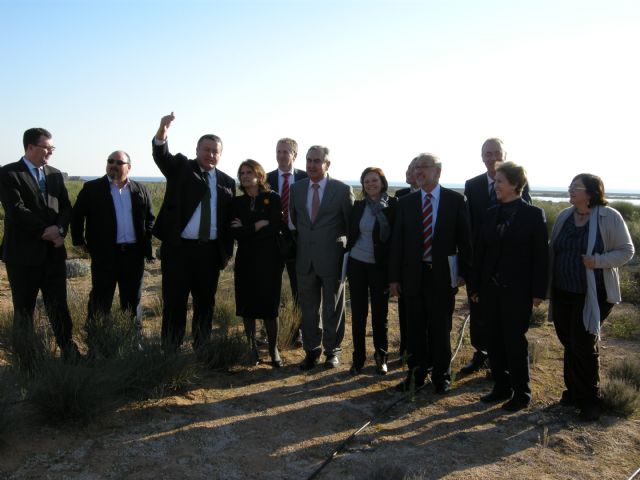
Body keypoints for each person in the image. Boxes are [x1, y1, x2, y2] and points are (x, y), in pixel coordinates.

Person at [548, 173, 634, 421]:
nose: (571, 189)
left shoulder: (609, 216)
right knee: (569, 342)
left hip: (594, 294)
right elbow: (553, 248)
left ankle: (590, 400)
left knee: (583, 343)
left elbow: (627, 251)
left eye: (576, 187)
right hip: (563, 291)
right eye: (570, 186)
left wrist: (597, 261)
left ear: (592, 192)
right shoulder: (565, 215)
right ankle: (573, 392)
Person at [151, 112, 236, 353]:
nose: (210, 154)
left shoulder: (227, 182)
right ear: (197, 150)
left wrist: (226, 252)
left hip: (209, 253)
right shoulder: (181, 168)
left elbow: (229, 222)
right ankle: (170, 351)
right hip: (179, 250)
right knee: (175, 302)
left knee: (205, 303)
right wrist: (162, 130)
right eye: (206, 149)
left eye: (215, 151)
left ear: (220, 154)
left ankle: (202, 350)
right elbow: (161, 155)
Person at [469, 162, 548, 412]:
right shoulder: (491, 213)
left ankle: (521, 392)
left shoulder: (533, 215)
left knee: (514, 341)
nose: (496, 185)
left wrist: (538, 291)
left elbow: (541, 256)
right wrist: (475, 286)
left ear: (514, 184)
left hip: (518, 291)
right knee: (494, 340)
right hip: (490, 289)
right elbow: (480, 253)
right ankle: (501, 387)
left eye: (500, 181)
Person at [389, 153, 472, 394]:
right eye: (415, 168)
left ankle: (441, 376)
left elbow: (464, 240)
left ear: (438, 171)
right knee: (414, 328)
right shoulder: (406, 203)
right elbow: (397, 243)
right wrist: (394, 278)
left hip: (442, 276)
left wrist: (465, 272)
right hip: (413, 275)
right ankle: (416, 375)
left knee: (440, 327)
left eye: (423, 167)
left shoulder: (454, 200)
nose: (418, 171)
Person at [0, 127, 79, 366]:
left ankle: (68, 350)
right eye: (47, 147)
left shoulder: (55, 175)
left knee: (59, 306)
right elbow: (16, 210)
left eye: (52, 148)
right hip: (23, 256)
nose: (50, 152)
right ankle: (26, 359)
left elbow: (66, 207)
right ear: (30, 147)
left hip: (53, 253)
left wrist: (61, 230)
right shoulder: (9, 173)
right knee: (24, 309)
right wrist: (48, 231)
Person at [71, 150, 155, 356]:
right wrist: (79, 241)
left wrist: (147, 241)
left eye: (119, 162)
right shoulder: (92, 189)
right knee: (100, 300)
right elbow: (76, 216)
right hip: (105, 255)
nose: (113, 165)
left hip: (133, 255)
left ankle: (132, 343)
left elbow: (150, 218)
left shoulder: (140, 190)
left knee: (132, 301)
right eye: (110, 161)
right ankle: (96, 345)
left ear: (129, 167)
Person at [461, 138, 533, 376]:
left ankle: (500, 360)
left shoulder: (520, 182)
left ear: (505, 155)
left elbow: (525, 220)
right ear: (482, 157)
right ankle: (481, 352)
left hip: (508, 264)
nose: (492, 158)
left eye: (496, 153)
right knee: (478, 309)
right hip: (480, 260)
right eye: (487, 153)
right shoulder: (472, 185)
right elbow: (468, 223)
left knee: (504, 315)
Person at [290, 145, 354, 370]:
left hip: (333, 260)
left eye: (317, 161)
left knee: (332, 308)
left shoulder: (342, 190)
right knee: (308, 307)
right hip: (305, 259)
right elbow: (295, 222)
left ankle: (332, 351)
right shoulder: (296, 189)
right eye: (308, 160)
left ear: (327, 164)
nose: (311, 165)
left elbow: (350, 227)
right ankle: (311, 350)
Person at [231, 160, 283, 368]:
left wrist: (247, 229)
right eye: (241, 172)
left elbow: (275, 228)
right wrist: (258, 225)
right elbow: (235, 232)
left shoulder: (273, 198)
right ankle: (251, 348)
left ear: (259, 176)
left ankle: (273, 349)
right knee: (248, 307)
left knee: (270, 307)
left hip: (270, 260)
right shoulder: (236, 203)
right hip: (245, 260)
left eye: (249, 172)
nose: (244, 176)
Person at [347, 167, 397, 375]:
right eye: (366, 181)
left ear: (382, 182)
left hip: (380, 267)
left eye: (374, 180)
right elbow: (351, 233)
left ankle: (380, 357)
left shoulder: (393, 206)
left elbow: (395, 241)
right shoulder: (358, 206)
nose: (370, 184)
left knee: (380, 314)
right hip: (357, 263)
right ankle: (358, 358)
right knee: (358, 314)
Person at [266, 138, 308, 346]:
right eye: (278, 151)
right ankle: (270, 330)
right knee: (270, 286)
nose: (281, 155)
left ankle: (297, 330)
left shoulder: (306, 178)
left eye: (286, 152)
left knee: (298, 289)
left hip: (298, 239)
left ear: (295, 155)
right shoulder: (265, 179)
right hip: (273, 240)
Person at [394, 157, 419, 357]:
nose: (409, 172)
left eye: (414, 168)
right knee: (405, 309)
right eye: (409, 167)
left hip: (430, 264)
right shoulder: (400, 196)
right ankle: (406, 347)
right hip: (406, 264)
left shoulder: (444, 198)